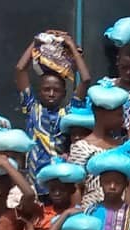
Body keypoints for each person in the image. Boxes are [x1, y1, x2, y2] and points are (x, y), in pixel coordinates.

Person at [15, 33, 91, 193]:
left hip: (59, 186)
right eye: (46, 89)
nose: (51, 93)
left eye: (56, 90)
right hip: (34, 184)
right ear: (39, 91)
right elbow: (20, 69)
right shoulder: (32, 109)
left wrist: (71, 46)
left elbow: (85, 80)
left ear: (64, 93)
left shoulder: (68, 114)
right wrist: (36, 42)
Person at [71, 79, 130, 207]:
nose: (123, 120)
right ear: (102, 114)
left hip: (120, 212)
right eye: (119, 115)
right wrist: (78, 213)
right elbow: (76, 187)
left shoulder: (122, 145)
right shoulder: (81, 147)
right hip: (91, 211)